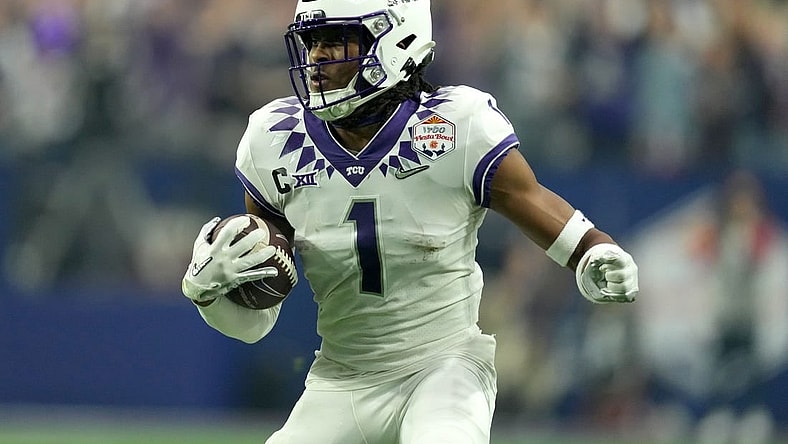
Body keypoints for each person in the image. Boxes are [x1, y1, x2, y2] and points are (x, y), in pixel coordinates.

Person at [180, 1, 640, 443]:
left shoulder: (454, 125)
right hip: (341, 379)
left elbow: (529, 198)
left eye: (337, 39)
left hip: (444, 366)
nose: (317, 56)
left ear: (395, 41)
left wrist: (593, 249)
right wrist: (209, 296)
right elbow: (257, 321)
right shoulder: (273, 139)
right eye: (312, 41)